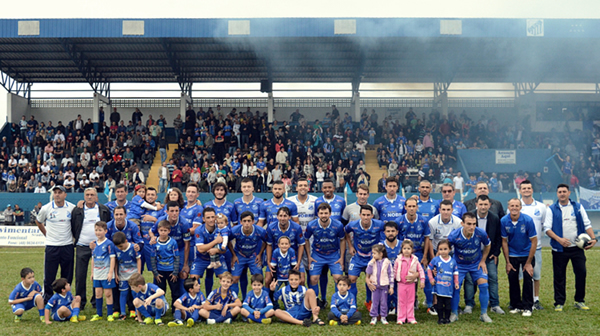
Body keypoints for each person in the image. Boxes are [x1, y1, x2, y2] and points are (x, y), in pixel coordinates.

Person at [543, 184, 597, 311]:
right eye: (559, 192)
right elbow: (547, 229)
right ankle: (559, 303)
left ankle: (579, 300)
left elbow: (587, 224)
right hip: (559, 249)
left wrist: (593, 238)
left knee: (581, 273)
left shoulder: (578, 207)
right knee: (559, 276)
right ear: (557, 194)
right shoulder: (551, 209)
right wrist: (559, 240)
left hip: (577, 248)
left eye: (564, 191)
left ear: (569, 193)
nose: (562, 194)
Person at [448, 212, 493, 323]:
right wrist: (450, 263)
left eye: (474, 224)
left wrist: (483, 260)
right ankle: (454, 313)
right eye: (468, 224)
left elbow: (488, 244)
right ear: (462, 223)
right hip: (460, 265)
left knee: (484, 285)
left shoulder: (480, 233)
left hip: (476, 264)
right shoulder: (454, 235)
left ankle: (484, 314)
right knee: (455, 287)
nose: (472, 227)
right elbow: (446, 248)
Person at [71, 188, 112, 310]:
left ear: (96, 197)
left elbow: (107, 226)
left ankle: (96, 301)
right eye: (87, 195)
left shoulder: (103, 210)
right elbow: (73, 225)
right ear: (84, 196)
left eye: (92, 195)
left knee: (98, 275)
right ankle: (80, 301)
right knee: (80, 276)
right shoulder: (78, 209)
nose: (89, 197)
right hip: (82, 246)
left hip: (99, 247)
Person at [463, 195, 504, 315]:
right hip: (472, 255)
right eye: (480, 204)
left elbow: (498, 238)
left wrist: (496, 253)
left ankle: (495, 304)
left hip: (489, 255)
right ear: (476, 204)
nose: (483, 207)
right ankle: (469, 304)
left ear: (490, 205)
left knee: (492, 277)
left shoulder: (494, 218)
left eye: (485, 204)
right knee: (470, 280)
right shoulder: (469, 217)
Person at [36, 186, 76, 303]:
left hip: (67, 246)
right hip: (52, 246)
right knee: (49, 276)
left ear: (65, 195)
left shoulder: (71, 208)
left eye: (60, 192)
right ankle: (48, 299)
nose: (57, 195)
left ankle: (66, 299)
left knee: (67, 276)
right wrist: (47, 235)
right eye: (55, 193)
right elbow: (39, 222)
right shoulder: (46, 208)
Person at [501, 198, 537, 317]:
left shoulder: (527, 220)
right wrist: (507, 261)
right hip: (512, 255)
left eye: (517, 205)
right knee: (513, 279)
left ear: (520, 207)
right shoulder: (504, 221)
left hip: (527, 255)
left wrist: (529, 263)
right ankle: (516, 305)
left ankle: (528, 307)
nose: (514, 208)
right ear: (508, 207)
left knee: (527, 279)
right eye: (512, 206)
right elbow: (504, 242)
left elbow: (534, 241)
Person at [305, 203, 345, 305]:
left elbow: (342, 240)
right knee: (313, 278)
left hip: (333, 254)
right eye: (321, 213)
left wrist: (341, 257)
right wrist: (309, 256)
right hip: (317, 254)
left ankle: (338, 302)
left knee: (338, 278)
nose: (323, 215)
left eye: (326, 213)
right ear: (317, 214)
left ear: (330, 214)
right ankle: (316, 300)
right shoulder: (311, 225)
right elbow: (306, 239)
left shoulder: (338, 225)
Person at [345, 205, 385, 301]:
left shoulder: (379, 224)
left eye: (368, 215)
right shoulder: (353, 225)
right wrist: (350, 246)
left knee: (371, 280)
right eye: (363, 215)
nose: (366, 217)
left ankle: (369, 301)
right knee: (351, 279)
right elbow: (345, 231)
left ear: (372, 215)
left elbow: (385, 233)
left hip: (372, 257)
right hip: (358, 256)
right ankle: (353, 303)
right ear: (360, 215)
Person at [519, 179, 547, 310]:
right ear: (520, 190)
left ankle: (536, 300)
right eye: (524, 188)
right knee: (520, 275)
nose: (526, 190)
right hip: (519, 249)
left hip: (536, 247)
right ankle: (520, 299)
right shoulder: (516, 206)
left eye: (528, 188)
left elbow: (543, 225)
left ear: (532, 190)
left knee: (536, 275)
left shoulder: (541, 207)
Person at [266, 207, 306, 286]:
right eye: (280, 216)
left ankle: (298, 297)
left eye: (285, 216)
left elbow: (301, 245)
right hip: (277, 257)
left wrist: (298, 262)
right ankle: (268, 298)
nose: (282, 218)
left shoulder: (296, 227)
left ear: (289, 217)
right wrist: (268, 261)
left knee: (301, 280)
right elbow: (269, 245)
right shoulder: (271, 227)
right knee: (267, 280)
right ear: (277, 217)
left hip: (293, 257)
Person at [229, 211, 267, 294]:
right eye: (244, 221)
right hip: (239, 255)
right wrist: (233, 255)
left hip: (254, 256)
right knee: (234, 279)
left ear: (253, 222)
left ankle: (260, 301)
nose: (247, 223)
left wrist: (260, 254)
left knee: (259, 279)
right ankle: (234, 300)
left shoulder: (260, 231)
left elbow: (266, 242)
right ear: (241, 222)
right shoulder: (235, 230)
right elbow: (228, 240)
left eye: (249, 221)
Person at [191, 208, 227, 294]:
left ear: (215, 217)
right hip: (201, 258)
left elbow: (224, 250)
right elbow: (200, 249)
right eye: (208, 217)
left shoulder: (222, 228)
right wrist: (215, 241)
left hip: (218, 258)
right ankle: (198, 300)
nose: (211, 220)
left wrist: (216, 250)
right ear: (203, 219)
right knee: (192, 279)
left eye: (212, 217)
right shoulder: (199, 230)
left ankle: (224, 300)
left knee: (226, 279)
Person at [89, 221, 117, 322]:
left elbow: (112, 258)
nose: (98, 232)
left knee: (108, 293)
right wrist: (92, 272)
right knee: (97, 293)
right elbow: (93, 259)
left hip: (106, 273)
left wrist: (110, 273)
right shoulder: (94, 244)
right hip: (97, 273)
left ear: (105, 231)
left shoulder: (109, 244)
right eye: (96, 230)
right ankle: (99, 314)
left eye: (100, 230)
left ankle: (110, 314)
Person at [427, 239, 459, 324]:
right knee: (439, 304)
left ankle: (447, 318)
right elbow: (429, 269)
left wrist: (456, 282)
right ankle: (440, 318)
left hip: (448, 287)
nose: (443, 251)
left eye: (445, 249)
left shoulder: (453, 261)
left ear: (450, 249)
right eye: (440, 249)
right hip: (439, 287)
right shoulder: (436, 260)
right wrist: (431, 279)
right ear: (437, 250)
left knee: (448, 305)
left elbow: (455, 273)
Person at [394, 240, 425, 325]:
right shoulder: (398, 260)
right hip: (401, 284)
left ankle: (411, 317)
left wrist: (422, 280)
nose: (406, 250)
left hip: (411, 284)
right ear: (402, 249)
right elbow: (394, 271)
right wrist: (392, 282)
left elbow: (421, 270)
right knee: (401, 301)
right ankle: (401, 318)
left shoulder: (415, 260)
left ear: (412, 250)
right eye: (404, 248)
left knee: (411, 301)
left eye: (408, 248)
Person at [150, 220, 180, 307]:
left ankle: (176, 309)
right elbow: (152, 258)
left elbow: (177, 257)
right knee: (160, 292)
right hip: (160, 271)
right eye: (161, 230)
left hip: (171, 271)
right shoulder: (155, 243)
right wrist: (155, 273)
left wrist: (175, 272)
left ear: (169, 231)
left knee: (175, 291)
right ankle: (161, 308)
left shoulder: (173, 242)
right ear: (158, 230)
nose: (163, 233)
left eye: (165, 230)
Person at [112, 231, 141, 320]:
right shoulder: (116, 249)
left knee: (134, 293)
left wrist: (138, 273)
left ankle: (137, 312)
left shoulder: (133, 247)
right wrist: (116, 273)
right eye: (117, 247)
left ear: (126, 241)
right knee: (123, 293)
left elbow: (139, 260)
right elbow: (116, 261)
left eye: (121, 246)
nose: (119, 248)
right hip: (122, 275)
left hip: (133, 275)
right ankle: (123, 313)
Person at [366, 244, 394, 325]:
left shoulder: (387, 262)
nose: (373, 255)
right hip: (375, 286)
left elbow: (391, 274)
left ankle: (383, 317)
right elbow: (368, 272)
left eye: (374, 253)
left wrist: (391, 287)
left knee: (384, 302)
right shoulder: (372, 262)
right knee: (375, 302)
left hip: (384, 286)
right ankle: (374, 317)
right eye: (372, 253)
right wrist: (371, 263)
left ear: (381, 254)